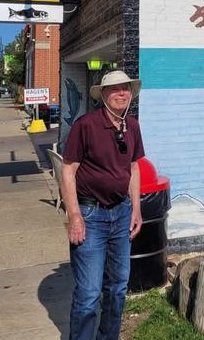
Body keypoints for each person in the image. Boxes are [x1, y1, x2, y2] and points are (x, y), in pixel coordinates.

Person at [61, 70, 144, 340]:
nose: (122, 93)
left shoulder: (132, 125)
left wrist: (136, 208)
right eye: (115, 89)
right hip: (90, 215)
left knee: (118, 287)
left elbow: (133, 166)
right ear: (103, 95)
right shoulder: (86, 125)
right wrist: (74, 215)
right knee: (88, 293)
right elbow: (68, 170)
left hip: (121, 214)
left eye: (126, 88)